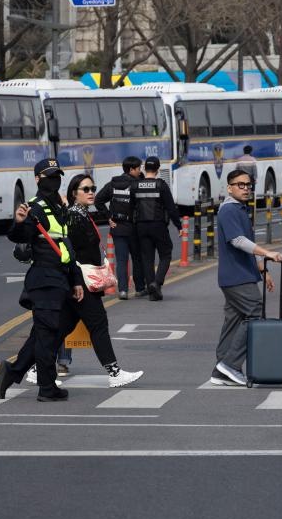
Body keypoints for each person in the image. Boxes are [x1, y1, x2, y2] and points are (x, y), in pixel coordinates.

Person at [19, 174, 144, 389]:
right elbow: (70, 252)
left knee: (60, 329)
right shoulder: (74, 218)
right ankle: (114, 372)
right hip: (81, 281)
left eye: (92, 188)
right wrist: (74, 279)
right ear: (74, 194)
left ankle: (35, 368)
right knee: (98, 324)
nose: (91, 192)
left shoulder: (82, 215)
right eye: (85, 189)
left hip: (79, 280)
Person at [0, 159, 83, 401]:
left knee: (46, 334)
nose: (55, 180)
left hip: (61, 279)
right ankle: (46, 388)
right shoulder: (34, 207)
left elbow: (68, 248)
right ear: (37, 179)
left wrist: (75, 280)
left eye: (57, 175)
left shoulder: (59, 207)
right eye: (50, 176)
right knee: (47, 336)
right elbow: (21, 236)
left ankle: (13, 371)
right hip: (45, 280)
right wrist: (20, 222)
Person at [211, 169, 282, 386]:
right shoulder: (229, 211)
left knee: (233, 321)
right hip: (237, 276)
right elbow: (238, 241)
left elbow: (245, 246)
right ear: (229, 187)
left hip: (240, 274)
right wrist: (267, 253)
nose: (245, 189)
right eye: (240, 185)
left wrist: (263, 269)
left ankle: (220, 370)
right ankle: (231, 365)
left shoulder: (240, 209)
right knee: (254, 312)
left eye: (248, 185)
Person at [95, 156, 146, 299]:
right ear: (131, 169)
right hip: (134, 228)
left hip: (117, 227)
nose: (140, 170)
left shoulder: (113, 183)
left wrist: (108, 217)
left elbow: (98, 199)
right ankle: (140, 288)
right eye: (138, 168)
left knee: (121, 260)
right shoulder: (137, 184)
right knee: (137, 259)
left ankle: (123, 290)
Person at [134, 156, 182, 301]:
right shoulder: (161, 185)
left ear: (144, 169)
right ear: (158, 169)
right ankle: (157, 283)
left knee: (147, 258)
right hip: (158, 225)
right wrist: (179, 226)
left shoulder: (136, 185)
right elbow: (171, 208)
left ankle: (151, 290)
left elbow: (131, 206)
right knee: (166, 254)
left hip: (141, 226)